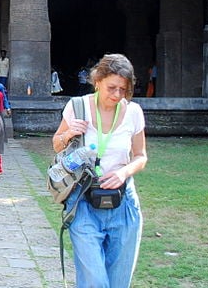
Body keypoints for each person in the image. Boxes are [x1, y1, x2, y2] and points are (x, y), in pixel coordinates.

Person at [51, 53, 148, 288]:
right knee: (95, 282)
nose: (116, 95)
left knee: (117, 283)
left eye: (123, 90)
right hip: (84, 201)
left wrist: (123, 173)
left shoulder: (134, 112)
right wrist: (68, 134)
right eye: (111, 87)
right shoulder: (77, 107)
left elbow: (141, 156)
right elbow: (56, 144)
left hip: (123, 203)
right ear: (97, 81)